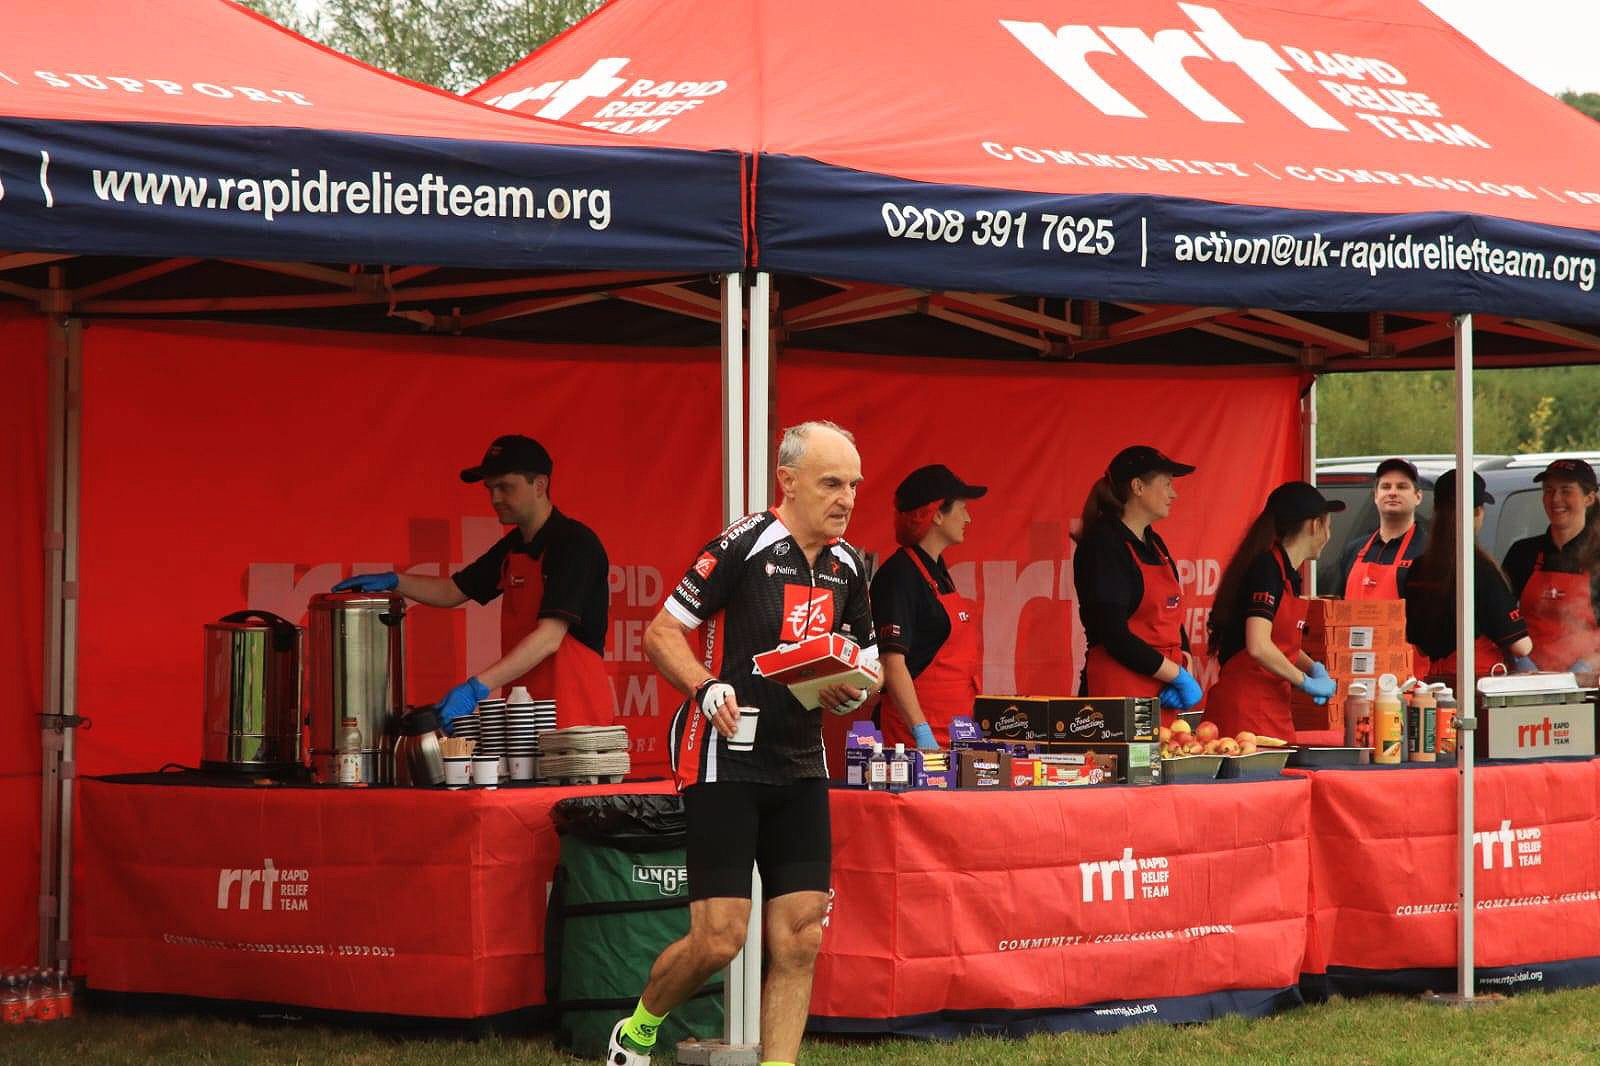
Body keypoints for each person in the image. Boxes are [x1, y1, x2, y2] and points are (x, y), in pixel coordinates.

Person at [611, 421, 877, 1066]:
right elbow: (661, 633)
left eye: (853, 485)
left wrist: (852, 691)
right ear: (788, 481)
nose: (846, 498)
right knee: (720, 938)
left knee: (801, 937)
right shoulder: (745, 542)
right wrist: (704, 687)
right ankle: (638, 1029)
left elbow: (865, 659)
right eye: (831, 483)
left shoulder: (848, 564)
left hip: (801, 762)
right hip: (723, 757)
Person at [333, 434, 612, 730]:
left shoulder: (574, 544)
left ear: (540, 485)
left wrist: (477, 687)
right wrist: (394, 581)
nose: (495, 499)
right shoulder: (513, 546)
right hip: (524, 714)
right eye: (490, 489)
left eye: (505, 487)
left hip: (577, 720)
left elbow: (549, 637)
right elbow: (452, 591)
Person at [1071, 445, 1202, 719]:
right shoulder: (1103, 544)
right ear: (1138, 487)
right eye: (1167, 484)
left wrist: (1185, 663)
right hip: (1118, 697)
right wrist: (1176, 674)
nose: (1174, 494)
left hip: (1161, 693)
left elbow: (1173, 619)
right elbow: (1114, 634)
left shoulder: (1155, 544)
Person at [1206, 482, 1344, 741]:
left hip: (1273, 705)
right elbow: (1258, 646)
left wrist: (1313, 667)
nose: (1328, 535)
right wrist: (1304, 681)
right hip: (1245, 710)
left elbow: (1279, 643)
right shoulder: (1266, 569)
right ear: (1315, 525)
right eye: (1328, 526)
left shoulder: (1288, 574)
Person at [870, 464, 986, 751]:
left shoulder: (939, 572)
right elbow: (892, 663)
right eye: (962, 508)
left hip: (955, 735)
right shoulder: (899, 575)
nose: (968, 518)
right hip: (915, 742)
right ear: (936, 514)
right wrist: (921, 731)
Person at [1404, 469, 1534, 678]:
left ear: (1436, 510)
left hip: (1433, 682)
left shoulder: (1418, 568)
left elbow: (1417, 642)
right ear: (1477, 512)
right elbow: (1521, 646)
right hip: (1478, 681)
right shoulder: (1480, 568)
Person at [1502, 459, 1600, 673]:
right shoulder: (1523, 553)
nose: (1555, 499)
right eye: (1549, 490)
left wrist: (1587, 666)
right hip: (1528, 681)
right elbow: (1499, 616)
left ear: (1589, 498)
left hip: (1588, 684)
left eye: (1566, 491)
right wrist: (1520, 660)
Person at [1336, 457, 1427, 600]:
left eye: (1402, 487)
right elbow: (1338, 605)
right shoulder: (1353, 550)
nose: (1392, 492)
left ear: (1418, 497)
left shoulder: (1429, 551)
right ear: (1375, 495)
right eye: (1386, 486)